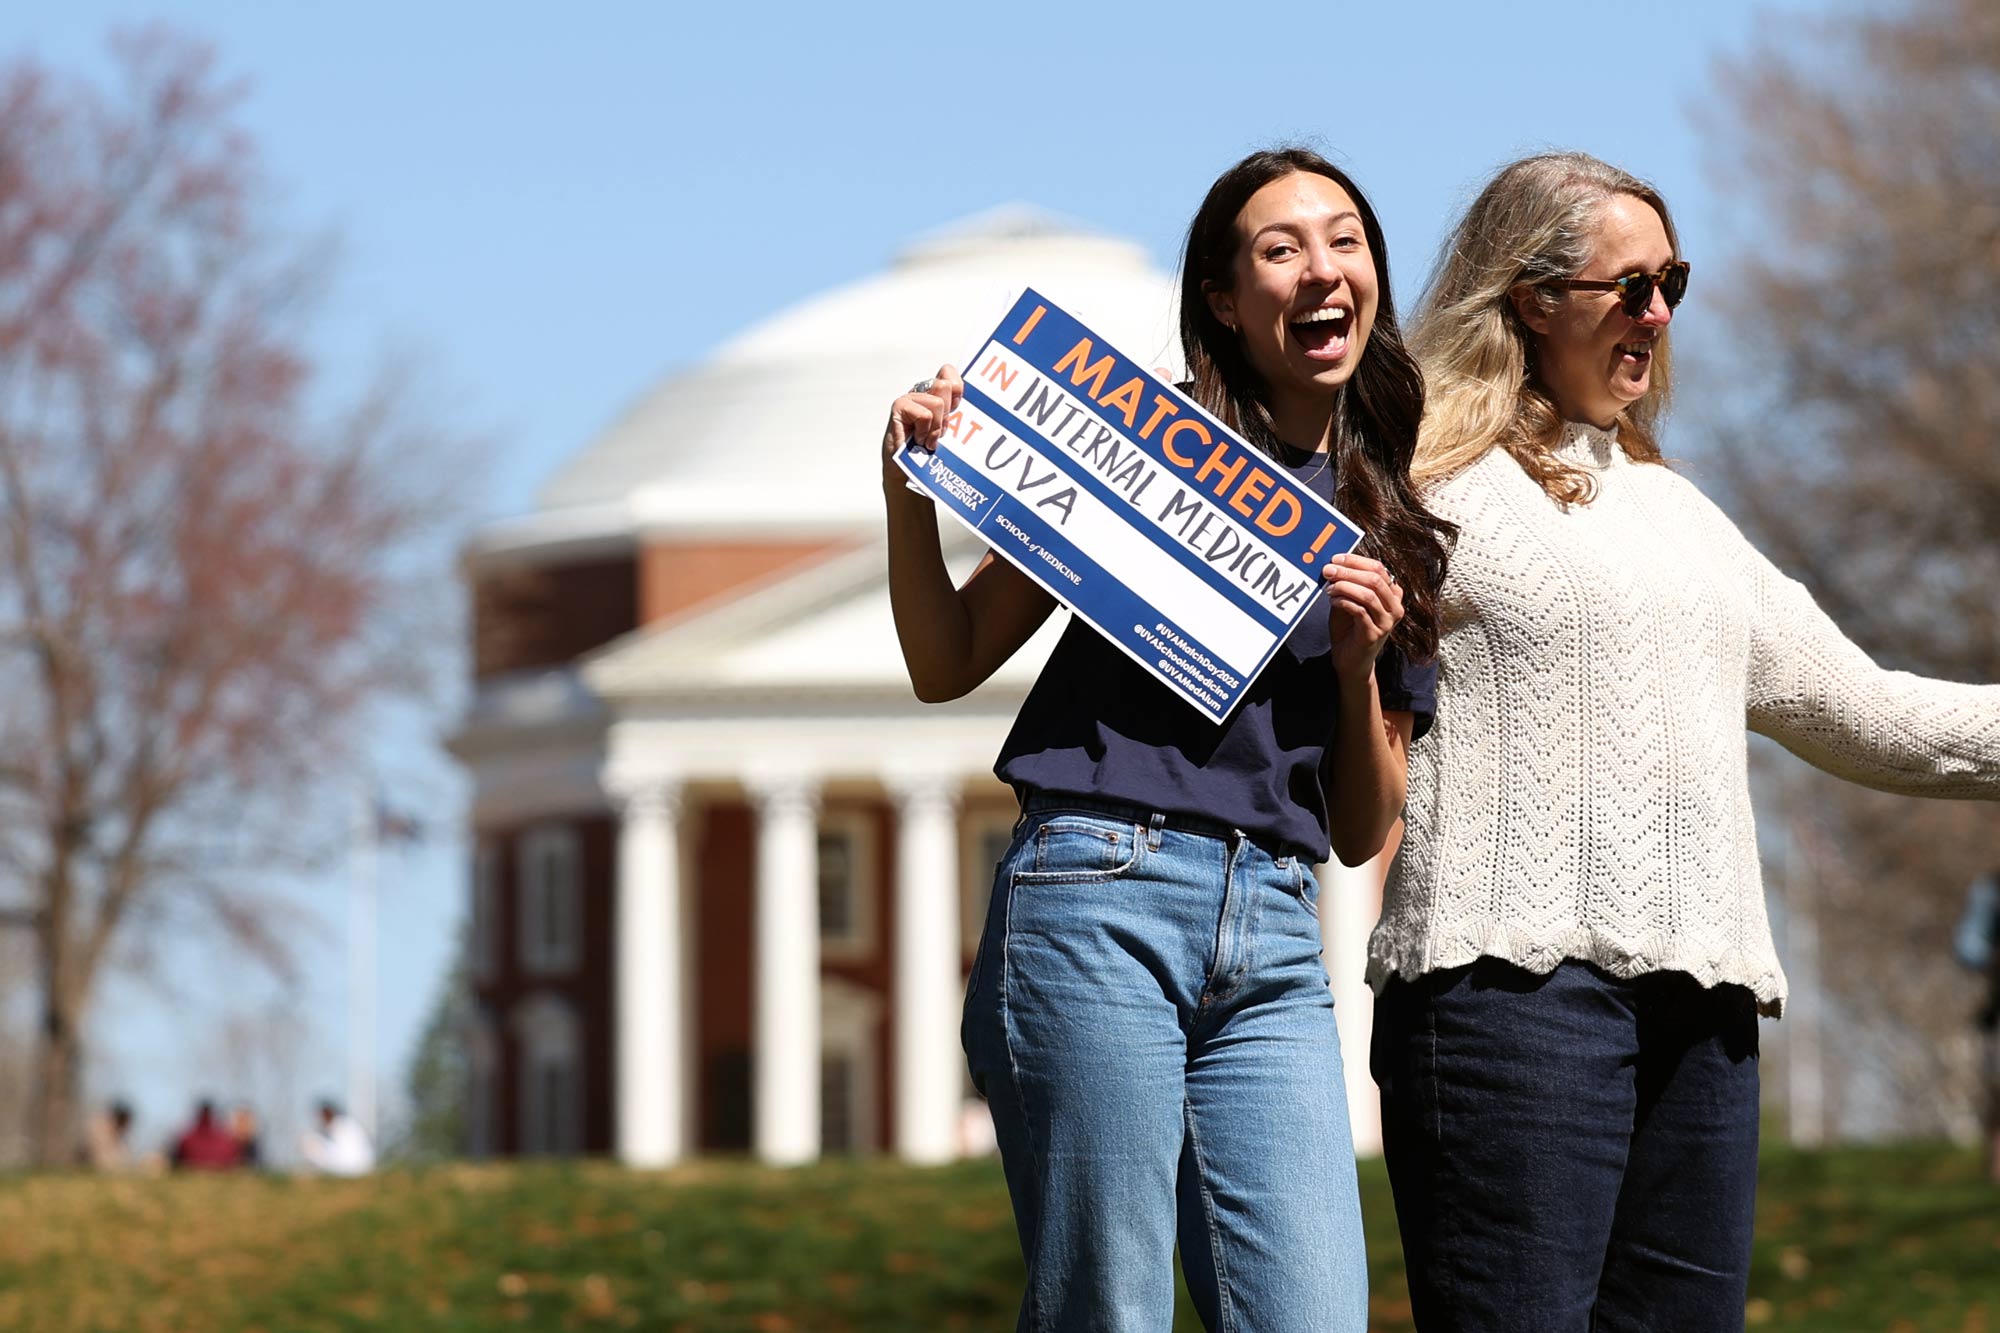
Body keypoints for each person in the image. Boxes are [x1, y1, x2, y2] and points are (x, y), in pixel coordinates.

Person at [1370, 150, 2000, 1331]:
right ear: (1528, 296)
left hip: (1702, 1015)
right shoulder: (1416, 489)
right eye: (1627, 285)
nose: (1655, 314)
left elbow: (1875, 713)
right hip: (1508, 1003)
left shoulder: (1683, 519)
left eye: (1672, 283)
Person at [883, 147, 1453, 1331]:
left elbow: (1361, 829)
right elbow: (946, 663)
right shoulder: (1131, 448)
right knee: (1111, 1305)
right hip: (1098, 896)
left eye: (1343, 240)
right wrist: (907, 494)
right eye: (1279, 248)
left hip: (1277, 945)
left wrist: (1355, 673)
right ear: (1222, 297)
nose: (1320, 269)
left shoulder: (1394, 520)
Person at [299, 1098, 375, 1176]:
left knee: (309, 1141)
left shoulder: (338, 1125)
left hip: (353, 1166)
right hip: (361, 1164)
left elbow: (345, 1153)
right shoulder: (346, 1123)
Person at [170, 1099, 242, 1171]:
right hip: (218, 1173)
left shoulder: (186, 1139)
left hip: (194, 1173)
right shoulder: (227, 1142)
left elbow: (177, 1162)